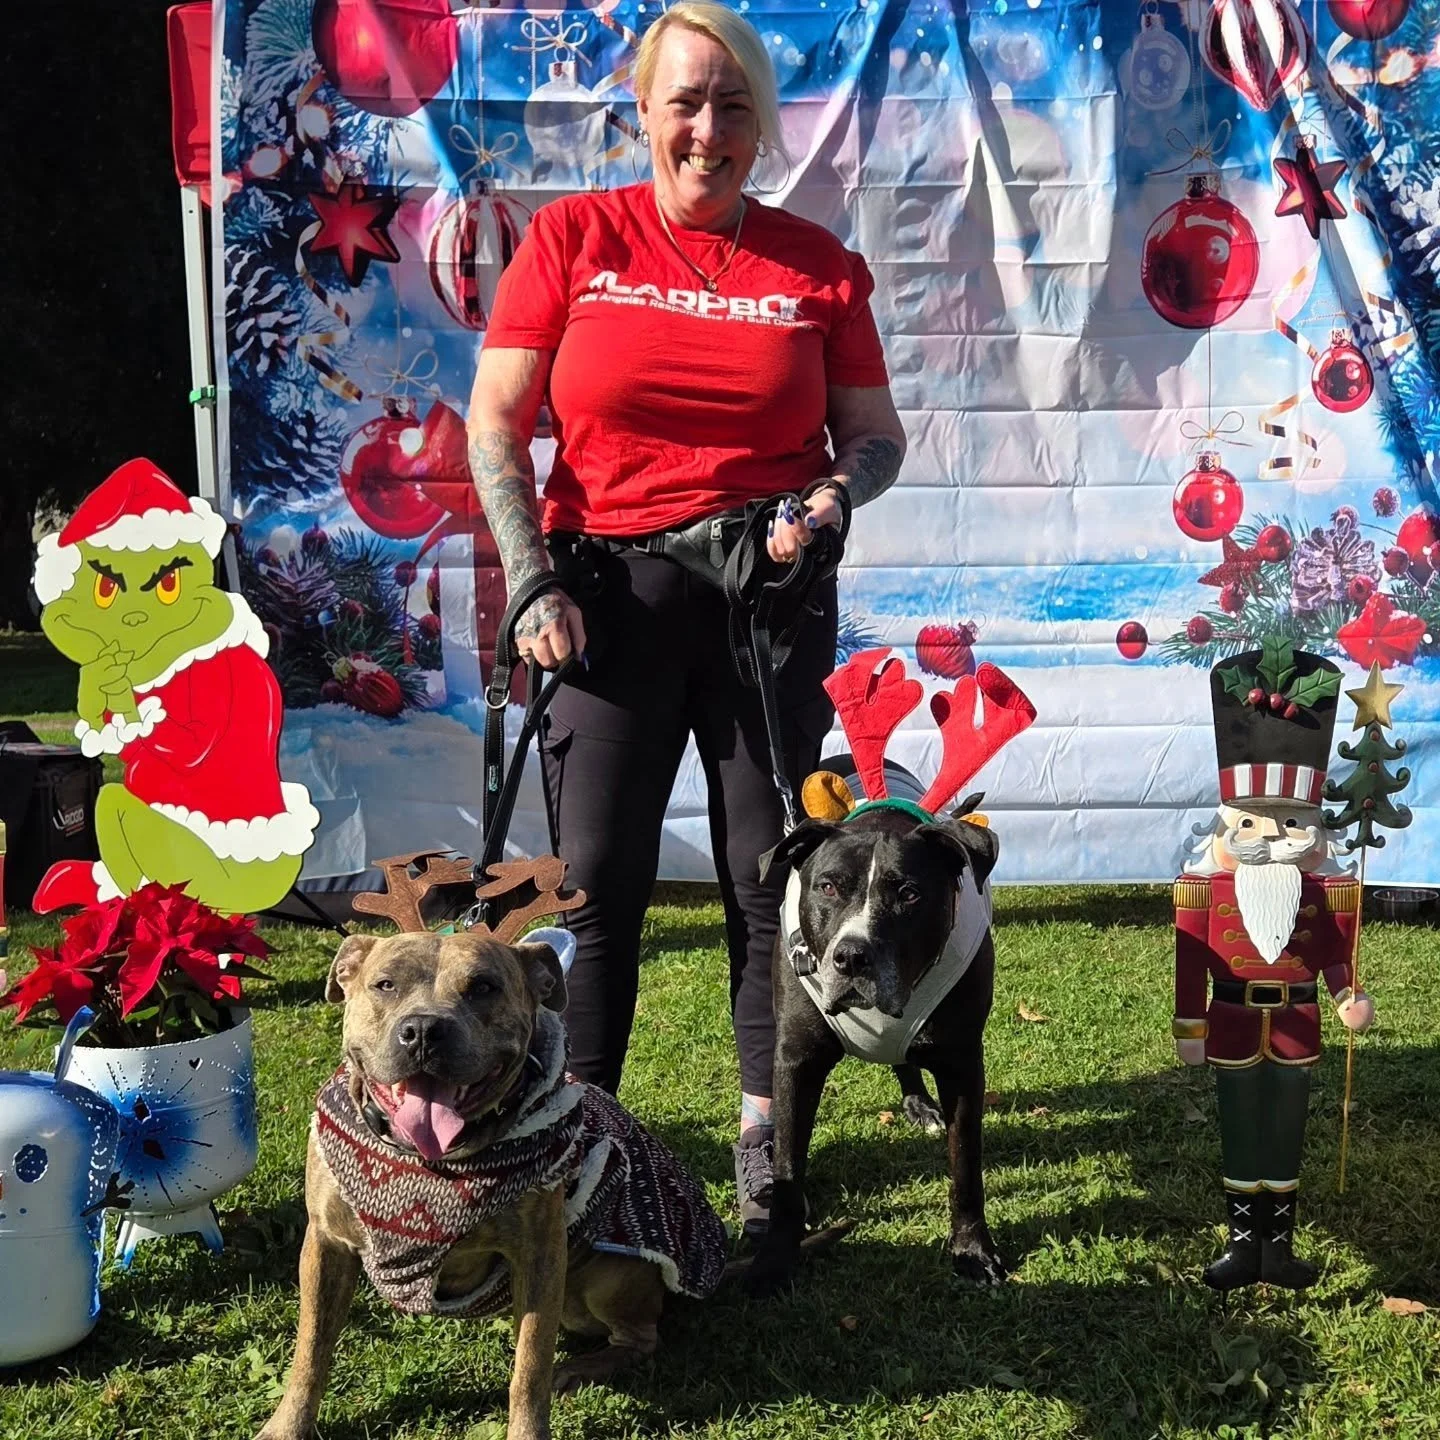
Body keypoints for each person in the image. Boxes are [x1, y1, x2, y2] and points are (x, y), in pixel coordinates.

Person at [466, 0, 906, 1237]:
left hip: (765, 602)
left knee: (768, 883)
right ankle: (576, 1145)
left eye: (732, 106)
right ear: (643, 112)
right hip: (605, 600)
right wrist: (531, 577)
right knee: (595, 882)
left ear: (760, 122)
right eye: (685, 101)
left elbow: (874, 441)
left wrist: (828, 495)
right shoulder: (572, 238)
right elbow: (495, 424)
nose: (707, 130)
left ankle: (766, 1147)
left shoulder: (815, 263)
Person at [1173, 644, 1373, 1290]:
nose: (1271, 835)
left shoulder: (1325, 892)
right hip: (1230, 1019)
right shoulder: (1203, 891)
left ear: (1311, 827)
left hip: (1297, 1023)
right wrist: (1189, 1025)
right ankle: (1240, 1243)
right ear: (1230, 824)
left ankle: (1278, 1246)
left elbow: (1335, 958)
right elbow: (1189, 963)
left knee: (1285, 1132)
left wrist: (1347, 995)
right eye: (1253, 821)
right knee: (1239, 1129)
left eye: (1290, 822)